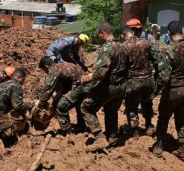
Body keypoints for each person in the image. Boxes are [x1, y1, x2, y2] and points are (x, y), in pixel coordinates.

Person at [151, 21, 184, 162]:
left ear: (168, 33)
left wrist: (156, 91)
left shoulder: (168, 50)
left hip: (173, 90)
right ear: (183, 32)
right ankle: (183, 150)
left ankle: (159, 146)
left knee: (164, 117)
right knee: (181, 119)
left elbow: (164, 76)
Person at [80, 22, 127, 152]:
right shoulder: (123, 47)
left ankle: (99, 137)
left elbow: (101, 73)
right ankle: (112, 137)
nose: (98, 37)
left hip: (108, 87)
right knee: (111, 110)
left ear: (102, 33)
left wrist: (86, 78)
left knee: (86, 107)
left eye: (98, 35)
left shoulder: (106, 49)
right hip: (121, 86)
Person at [121, 19, 162, 136]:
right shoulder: (147, 43)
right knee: (147, 103)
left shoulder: (123, 46)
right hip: (148, 80)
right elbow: (158, 61)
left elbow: (121, 66)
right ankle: (148, 126)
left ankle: (134, 131)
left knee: (131, 106)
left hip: (132, 81)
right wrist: (156, 77)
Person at [36, 56, 89, 135]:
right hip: (85, 85)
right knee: (79, 105)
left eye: (44, 70)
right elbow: (66, 85)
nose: (45, 72)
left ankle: (66, 131)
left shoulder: (54, 70)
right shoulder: (61, 65)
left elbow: (48, 90)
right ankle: (82, 127)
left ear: (47, 66)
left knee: (61, 106)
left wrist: (39, 104)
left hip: (80, 87)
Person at [0, 68, 34, 148]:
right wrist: (30, 105)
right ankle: (12, 151)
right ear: (18, 78)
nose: (23, 82)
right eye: (23, 79)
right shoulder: (16, 85)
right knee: (10, 133)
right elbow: (17, 105)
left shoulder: (3, 83)